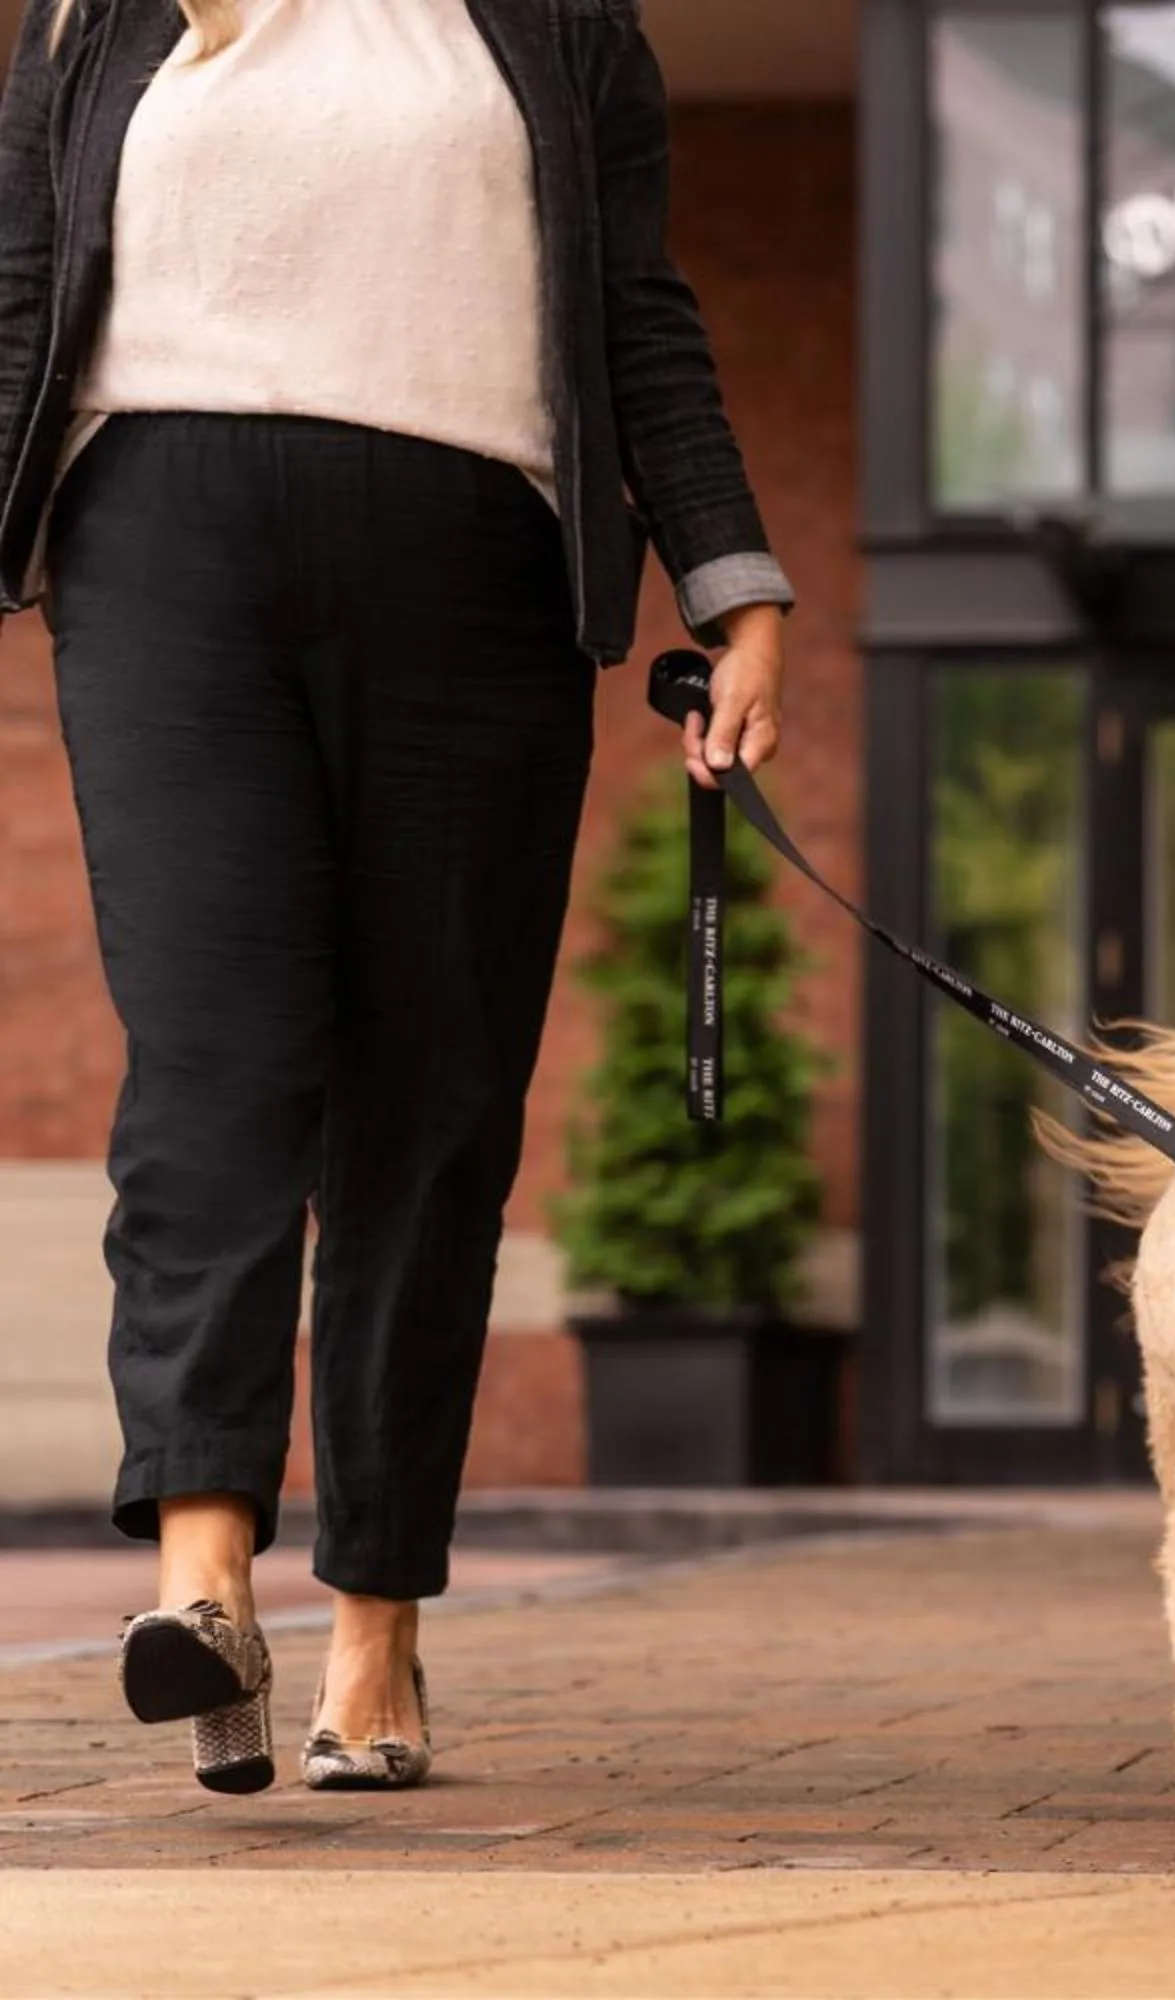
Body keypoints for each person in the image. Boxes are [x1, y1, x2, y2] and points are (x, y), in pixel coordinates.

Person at [0, 0, 792, 1794]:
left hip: (481, 574)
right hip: (164, 554)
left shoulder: (563, 23)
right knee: (214, 1064)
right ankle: (204, 1581)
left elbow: (637, 313)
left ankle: (376, 1625)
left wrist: (734, 584)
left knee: (430, 1108)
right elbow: (19, 291)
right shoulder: (95, 14)